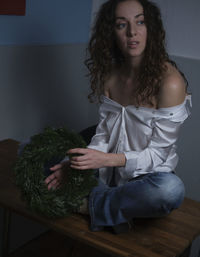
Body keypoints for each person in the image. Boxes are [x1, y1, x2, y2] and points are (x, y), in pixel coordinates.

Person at [45, 0, 191, 233]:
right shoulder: (111, 76)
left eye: (140, 22)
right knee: (41, 156)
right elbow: (103, 135)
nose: (132, 32)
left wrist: (106, 160)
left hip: (147, 176)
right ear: (111, 32)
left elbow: (157, 154)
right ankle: (110, 207)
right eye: (122, 25)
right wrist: (75, 164)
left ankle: (86, 203)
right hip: (106, 171)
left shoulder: (170, 83)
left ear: (151, 28)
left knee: (170, 191)